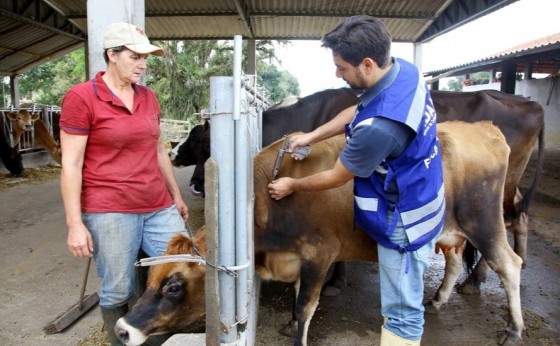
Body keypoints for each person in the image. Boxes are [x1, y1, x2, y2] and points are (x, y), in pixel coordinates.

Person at [268, 15, 445, 346]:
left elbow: (337, 177)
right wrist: (313, 135)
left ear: (366, 64)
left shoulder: (379, 128)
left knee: (403, 311)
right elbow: (360, 108)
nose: (337, 74)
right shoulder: (403, 71)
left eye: (341, 67)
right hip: (425, 190)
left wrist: (292, 185)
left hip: (405, 220)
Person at [59, 22, 189, 345]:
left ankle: (154, 335)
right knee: (118, 287)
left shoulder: (148, 97)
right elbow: (71, 165)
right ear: (112, 55)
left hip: (158, 205)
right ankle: (120, 340)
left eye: (146, 58)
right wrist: (75, 224)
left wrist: (176, 195)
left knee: (182, 269)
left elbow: (158, 150)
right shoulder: (81, 98)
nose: (143, 65)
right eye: (135, 57)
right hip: (110, 208)